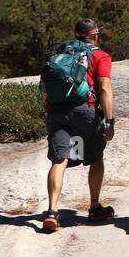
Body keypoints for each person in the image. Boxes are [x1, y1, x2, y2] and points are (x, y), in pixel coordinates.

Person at [41, 19, 115, 234]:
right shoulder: (100, 56)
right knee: (96, 157)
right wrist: (109, 120)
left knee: (59, 159)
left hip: (57, 111)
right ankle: (94, 207)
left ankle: (52, 212)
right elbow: (104, 86)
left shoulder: (62, 54)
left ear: (76, 34)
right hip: (85, 110)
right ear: (96, 36)